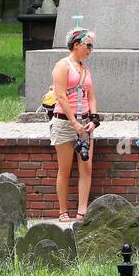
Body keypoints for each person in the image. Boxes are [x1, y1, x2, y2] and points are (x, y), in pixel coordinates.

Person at [49, 26, 98, 221]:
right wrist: (73, 122)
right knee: (65, 168)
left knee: (86, 166)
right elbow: (60, 96)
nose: (90, 49)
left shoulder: (85, 69)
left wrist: (94, 118)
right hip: (65, 122)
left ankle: (82, 210)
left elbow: (91, 95)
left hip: (85, 122)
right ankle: (63, 210)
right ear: (76, 45)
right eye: (88, 45)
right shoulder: (63, 66)